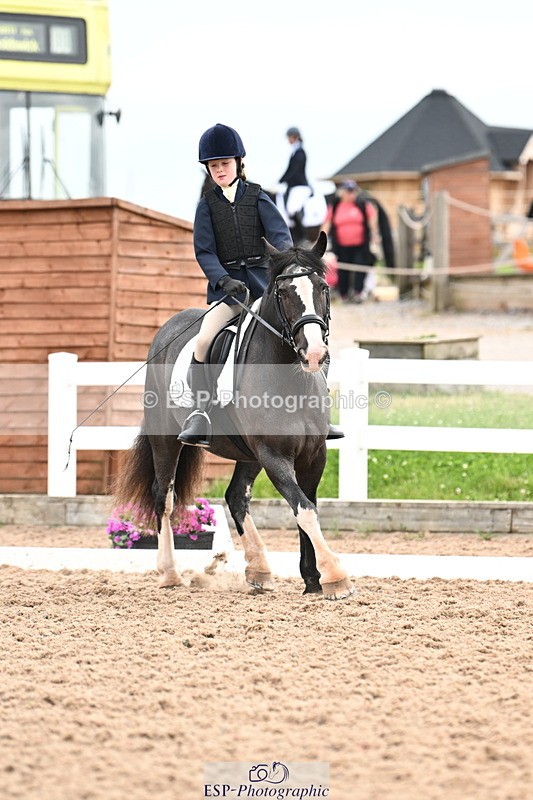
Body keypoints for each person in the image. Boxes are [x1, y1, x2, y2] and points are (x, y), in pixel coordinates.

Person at [179, 123, 343, 446]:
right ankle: (200, 414)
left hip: (265, 288)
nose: (220, 171)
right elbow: (205, 252)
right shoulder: (206, 207)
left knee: (310, 334)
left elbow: (280, 235)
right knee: (204, 339)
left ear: (238, 163)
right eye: (214, 166)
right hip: (229, 294)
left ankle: (320, 410)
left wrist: (285, 264)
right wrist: (223, 280)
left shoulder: (258, 197)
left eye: (225, 164)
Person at [323, 180, 379, 303]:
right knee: (343, 270)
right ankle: (344, 294)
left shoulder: (362, 205)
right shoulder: (336, 206)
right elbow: (327, 222)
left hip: (360, 244)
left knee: (360, 267)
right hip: (342, 245)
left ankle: (358, 293)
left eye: (353, 191)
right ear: (342, 193)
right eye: (348, 192)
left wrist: (375, 234)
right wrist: (322, 239)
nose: (351, 194)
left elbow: (372, 218)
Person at [278, 127, 313, 239]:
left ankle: (302, 236)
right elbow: (289, 169)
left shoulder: (300, 152)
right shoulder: (295, 151)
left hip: (299, 185)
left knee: (292, 209)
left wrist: (285, 179)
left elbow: (295, 170)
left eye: (289, 138)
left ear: (294, 137)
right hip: (293, 185)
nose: (288, 140)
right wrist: (280, 180)